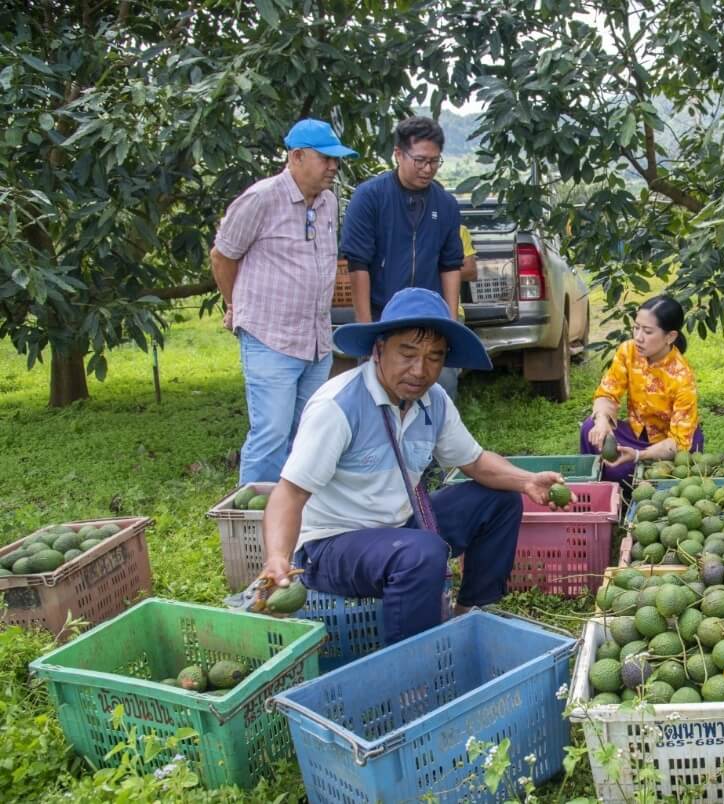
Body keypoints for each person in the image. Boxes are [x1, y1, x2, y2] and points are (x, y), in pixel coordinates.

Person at [259, 287, 567, 645]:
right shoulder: (338, 406)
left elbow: (476, 462)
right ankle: (412, 669)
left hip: (399, 527)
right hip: (331, 546)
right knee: (422, 553)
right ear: (379, 350)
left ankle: (472, 615)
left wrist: (527, 481)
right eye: (407, 353)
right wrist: (278, 557)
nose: (420, 370)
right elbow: (290, 493)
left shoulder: (432, 402)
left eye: (434, 357)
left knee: (499, 501)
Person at [211, 118, 357, 484]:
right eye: (326, 159)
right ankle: (254, 530)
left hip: (316, 340)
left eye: (336, 159)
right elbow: (222, 256)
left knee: (308, 436)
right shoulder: (261, 198)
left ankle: (298, 522)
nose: (334, 167)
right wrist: (235, 306)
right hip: (269, 337)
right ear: (297, 156)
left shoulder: (326, 201)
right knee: (271, 435)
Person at [339, 116, 465, 398]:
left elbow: (450, 265)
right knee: (380, 394)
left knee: (441, 389)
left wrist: (451, 323)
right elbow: (358, 265)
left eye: (434, 161)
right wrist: (365, 330)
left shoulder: (445, 205)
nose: (427, 169)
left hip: (429, 317)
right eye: (420, 160)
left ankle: (431, 442)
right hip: (382, 316)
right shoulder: (369, 197)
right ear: (398, 154)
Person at [580, 295, 704, 485]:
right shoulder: (627, 351)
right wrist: (602, 420)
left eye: (647, 331)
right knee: (591, 427)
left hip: (670, 446)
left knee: (645, 469)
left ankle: (627, 480)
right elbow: (607, 393)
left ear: (670, 337)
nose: (638, 337)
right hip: (637, 435)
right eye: (636, 328)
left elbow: (679, 442)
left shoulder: (682, 377)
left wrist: (639, 455)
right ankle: (606, 485)